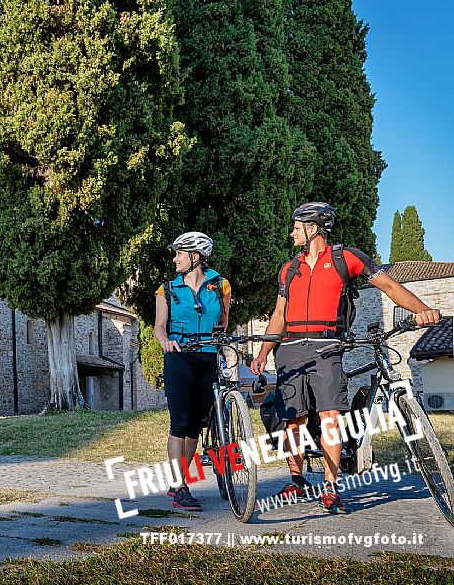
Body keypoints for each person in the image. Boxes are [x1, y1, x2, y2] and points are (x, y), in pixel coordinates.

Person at [250, 202, 440, 514]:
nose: (292, 233)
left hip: (328, 347)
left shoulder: (345, 258)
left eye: (297, 227)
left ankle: (330, 486)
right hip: (291, 348)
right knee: (293, 418)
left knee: (330, 417)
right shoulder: (289, 269)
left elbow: (390, 285)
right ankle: (296, 480)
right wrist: (263, 352)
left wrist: (422, 310)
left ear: (313, 228)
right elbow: (279, 315)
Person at [154, 231, 232, 511]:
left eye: (179, 254)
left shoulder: (220, 285)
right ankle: (179, 487)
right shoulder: (168, 289)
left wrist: (222, 339)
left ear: (195, 257)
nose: (175, 259)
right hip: (180, 358)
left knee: (196, 425)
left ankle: (181, 481)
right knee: (180, 423)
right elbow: (159, 326)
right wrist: (165, 341)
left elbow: (223, 322)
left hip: (208, 357)